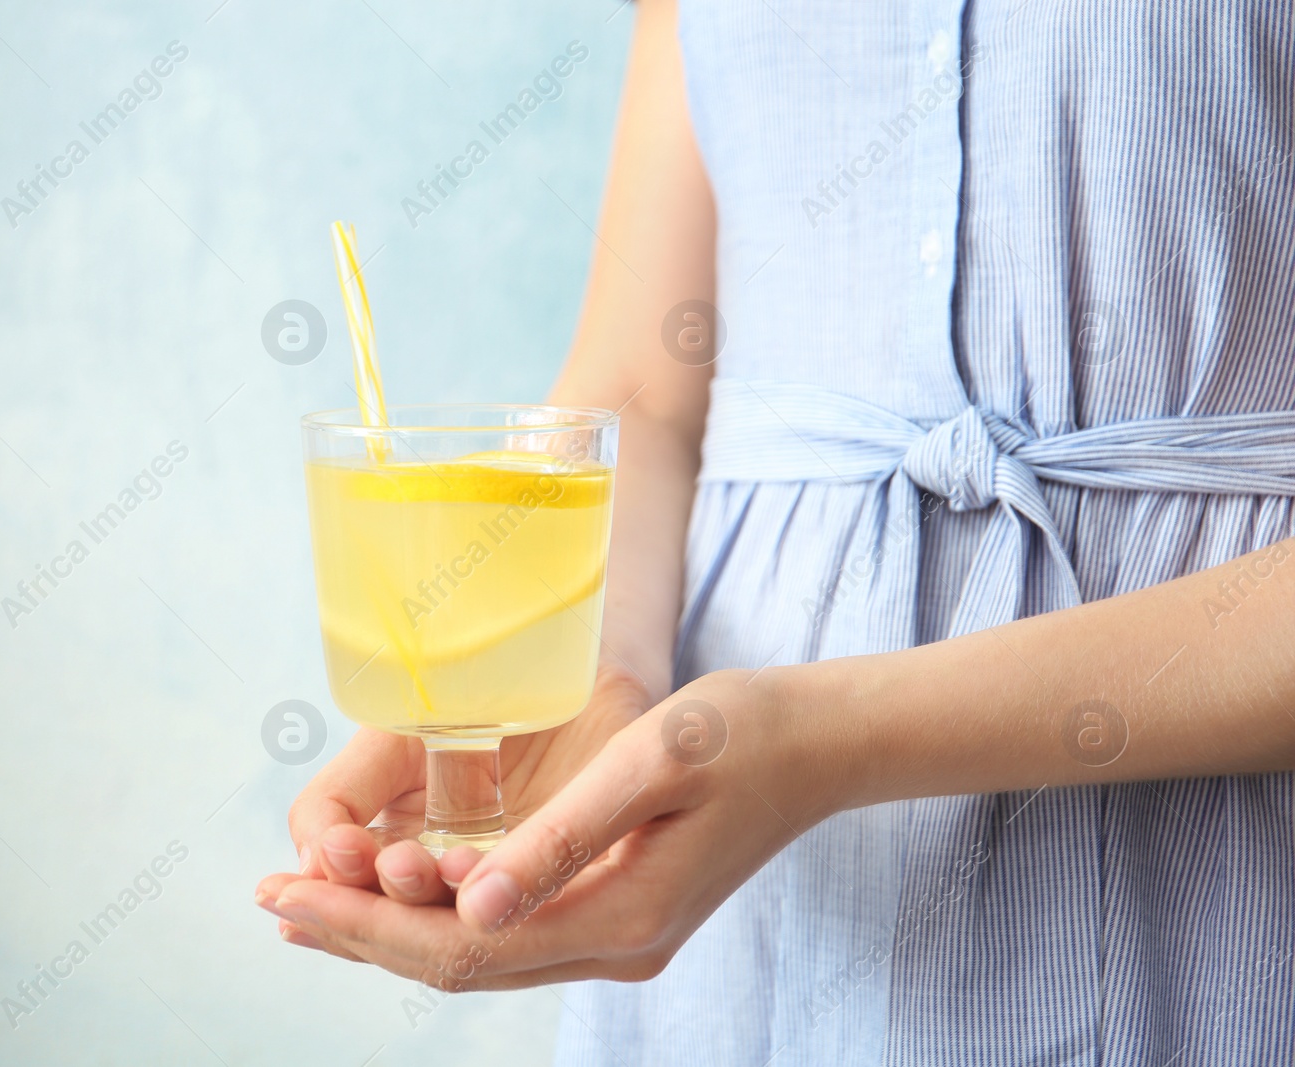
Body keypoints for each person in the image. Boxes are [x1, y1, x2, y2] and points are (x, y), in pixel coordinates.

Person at [258, 0, 1295, 1061]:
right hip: (729, 850)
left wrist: (816, 739)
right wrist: (576, 674)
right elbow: (642, 394)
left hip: (1205, 827)